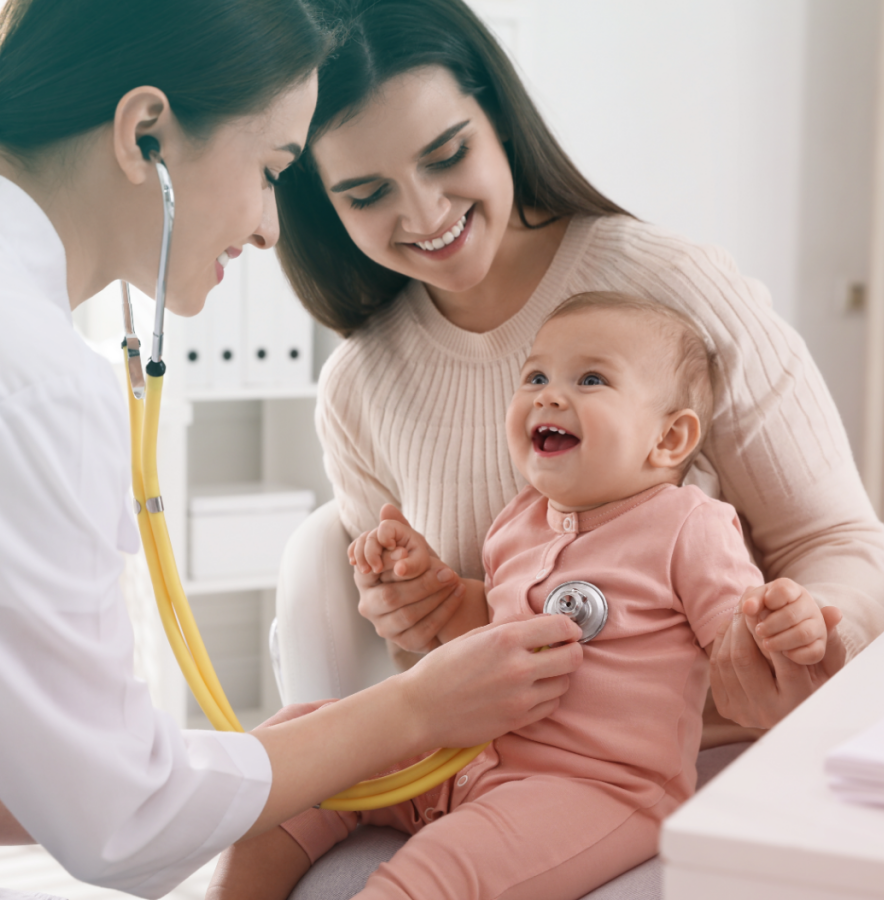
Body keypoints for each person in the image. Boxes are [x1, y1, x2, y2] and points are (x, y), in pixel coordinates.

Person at [0, 3, 589, 899]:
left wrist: (269, 759)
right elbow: (125, 826)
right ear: (146, 134)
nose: (274, 227)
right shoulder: (11, 370)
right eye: (273, 168)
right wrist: (416, 708)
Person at [272, 0, 884, 742]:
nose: (425, 212)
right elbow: (431, 660)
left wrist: (808, 641)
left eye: (446, 156)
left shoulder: (673, 287)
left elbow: (840, 543)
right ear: (322, 205)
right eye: (368, 194)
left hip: (708, 757)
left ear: (498, 117)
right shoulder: (359, 386)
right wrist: (408, 610)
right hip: (499, 773)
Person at [211, 292, 838, 900]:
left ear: (669, 439)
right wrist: (433, 588)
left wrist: (781, 629)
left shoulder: (688, 527)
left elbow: (738, 647)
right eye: (535, 375)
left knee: (436, 870)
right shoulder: (518, 521)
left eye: (591, 379)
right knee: (299, 751)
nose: (549, 393)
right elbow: (486, 629)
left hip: (592, 787)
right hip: (462, 754)